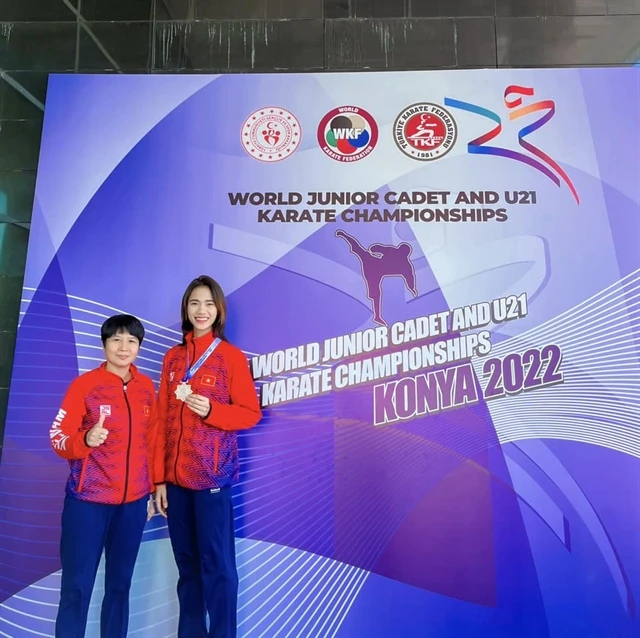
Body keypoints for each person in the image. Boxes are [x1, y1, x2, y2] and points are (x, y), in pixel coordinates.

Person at [154, 275, 262, 638]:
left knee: (217, 567)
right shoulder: (172, 359)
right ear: (186, 309)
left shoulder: (230, 357)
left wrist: (213, 411)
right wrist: (159, 479)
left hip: (212, 479)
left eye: (209, 304)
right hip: (176, 483)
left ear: (219, 311)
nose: (202, 311)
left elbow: (250, 413)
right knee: (187, 569)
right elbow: (162, 421)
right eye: (195, 303)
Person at [49, 314, 157, 638]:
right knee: (76, 589)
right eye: (116, 340)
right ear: (105, 344)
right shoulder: (84, 386)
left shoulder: (146, 388)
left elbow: (150, 444)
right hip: (88, 504)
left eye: (132, 341)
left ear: (138, 347)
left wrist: (149, 491)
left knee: (120, 587)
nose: (124, 347)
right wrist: (84, 440)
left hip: (133, 505)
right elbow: (58, 437)